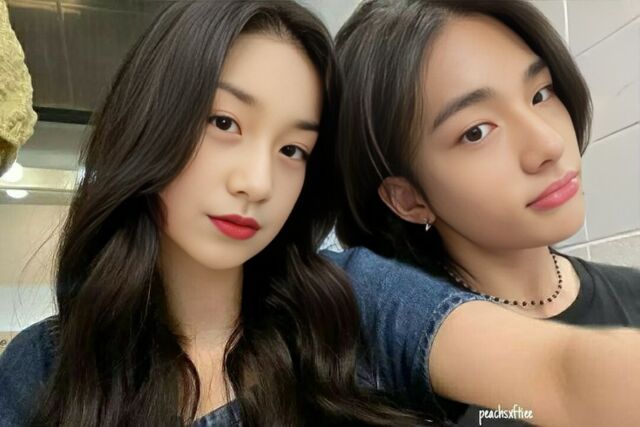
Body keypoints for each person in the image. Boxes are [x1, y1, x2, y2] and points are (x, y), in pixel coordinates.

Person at [0, 1, 429, 425]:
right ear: (151, 118)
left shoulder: (345, 315)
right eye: (224, 123)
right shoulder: (40, 369)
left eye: (292, 150)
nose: (258, 184)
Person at [330, 0, 640, 425]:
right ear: (408, 199)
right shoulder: (389, 375)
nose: (548, 144)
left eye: (540, 94)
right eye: (476, 132)